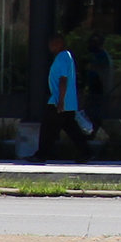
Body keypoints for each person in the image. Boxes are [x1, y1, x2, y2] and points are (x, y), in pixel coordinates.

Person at [38, 32, 91, 161]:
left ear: (59, 44)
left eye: (52, 44)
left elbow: (63, 80)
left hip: (59, 101)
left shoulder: (62, 57)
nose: (50, 47)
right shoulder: (67, 56)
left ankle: (41, 155)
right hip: (68, 102)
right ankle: (86, 152)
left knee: (47, 128)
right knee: (71, 128)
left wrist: (61, 100)